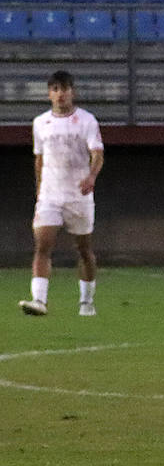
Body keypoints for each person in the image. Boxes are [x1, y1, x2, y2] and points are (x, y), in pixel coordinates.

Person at [19, 71, 103, 318]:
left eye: (64, 89)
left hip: (78, 195)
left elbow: (97, 153)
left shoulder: (87, 121)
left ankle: (86, 301)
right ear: (49, 94)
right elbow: (39, 160)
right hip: (50, 195)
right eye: (55, 89)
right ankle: (39, 300)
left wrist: (91, 177)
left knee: (84, 249)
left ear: (72, 92)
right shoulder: (40, 123)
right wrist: (39, 190)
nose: (60, 94)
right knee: (43, 245)